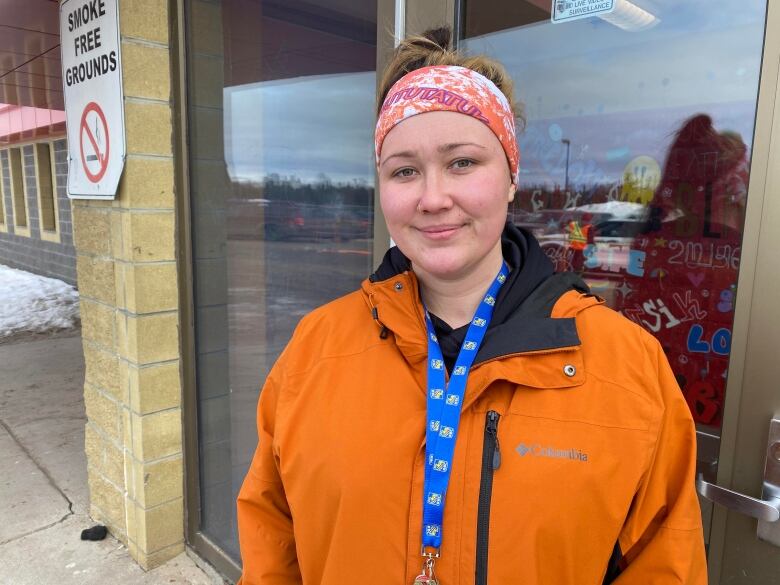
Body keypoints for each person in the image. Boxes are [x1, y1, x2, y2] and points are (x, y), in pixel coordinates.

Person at [236, 27, 707, 584]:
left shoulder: (626, 365)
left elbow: (665, 566)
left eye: (462, 162)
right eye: (404, 170)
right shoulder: (315, 350)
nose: (433, 198)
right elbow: (272, 538)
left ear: (511, 177)